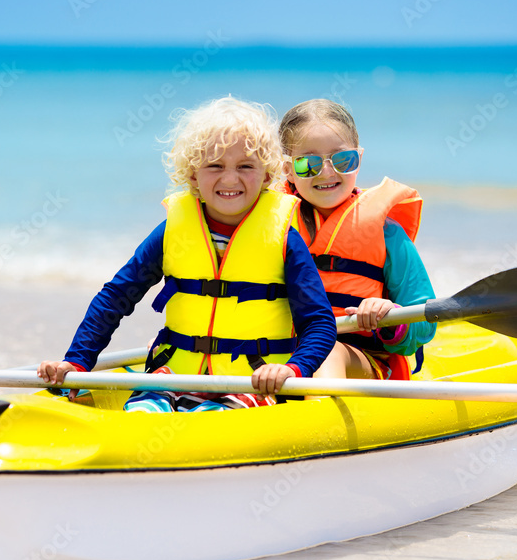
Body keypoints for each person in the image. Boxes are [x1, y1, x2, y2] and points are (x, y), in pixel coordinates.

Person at [38, 96, 337, 412]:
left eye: (246, 166)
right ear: (193, 175)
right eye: (215, 165)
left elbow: (319, 322)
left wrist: (293, 369)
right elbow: (115, 298)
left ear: (267, 175)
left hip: (250, 383)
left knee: (214, 419)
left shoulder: (285, 241)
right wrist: (77, 363)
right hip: (174, 374)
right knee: (143, 413)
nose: (230, 178)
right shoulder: (172, 231)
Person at [277, 99, 436, 381]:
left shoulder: (388, 234)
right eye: (308, 164)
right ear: (287, 169)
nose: (327, 172)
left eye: (342, 159)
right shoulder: (271, 228)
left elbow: (424, 323)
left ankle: (322, 420)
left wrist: (390, 316)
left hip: (361, 360)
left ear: (359, 158)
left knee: (327, 351)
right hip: (282, 360)